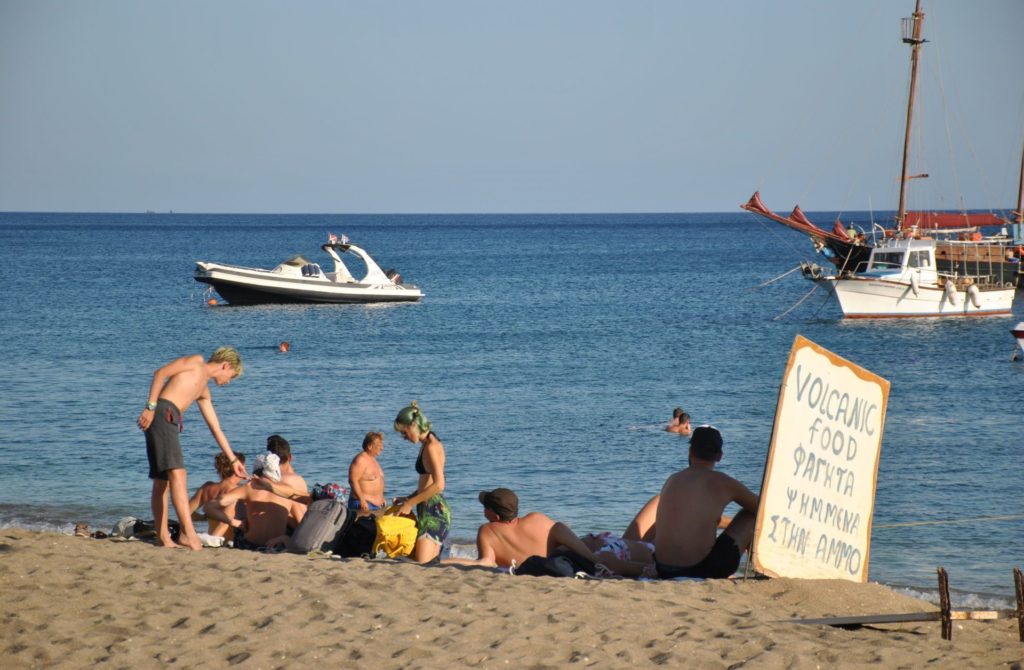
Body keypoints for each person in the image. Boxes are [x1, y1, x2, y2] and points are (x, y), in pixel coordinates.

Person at [136, 346, 247, 550]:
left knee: (162, 482)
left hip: (169, 419)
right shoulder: (196, 361)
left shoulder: (203, 390)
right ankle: (188, 533)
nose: (229, 381)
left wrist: (233, 460)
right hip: (162, 414)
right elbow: (160, 373)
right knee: (179, 475)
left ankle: (163, 538)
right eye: (231, 376)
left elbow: (216, 428)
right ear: (225, 365)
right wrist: (150, 407)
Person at [443, 488, 645, 576]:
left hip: (584, 563)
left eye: (485, 507)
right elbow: (561, 532)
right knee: (649, 547)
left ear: (494, 516)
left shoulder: (488, 532)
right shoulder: (536, 519)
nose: (482, 510)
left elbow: (484, 562)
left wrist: (441, 562)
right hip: (603, 550)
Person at [652, 425, 759, 579]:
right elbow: (762, 508)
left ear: (690, 452)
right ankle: (758, 569)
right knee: (751, 514)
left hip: (661, 568)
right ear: (720, 456)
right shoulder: (722, 482)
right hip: (699, 570)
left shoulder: (673, 479)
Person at [204, 453, 306, 549]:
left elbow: (208, 508)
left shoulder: (248, 488)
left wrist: (236, 523)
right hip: (276, 545)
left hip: (250, 545)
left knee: (239, 508)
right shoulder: (286, 490)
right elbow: (301, 521)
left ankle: (216, 537)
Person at [393, 401, 450, 563]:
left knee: (423, 564)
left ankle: (481, 563)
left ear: (413, 426)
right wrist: (408, 498)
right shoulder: (427, 443)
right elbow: (428, 482)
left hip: (434, 511)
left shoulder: (432, 446)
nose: (404, 438)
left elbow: (439, 484)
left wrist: (410, 503)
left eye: (404, 433)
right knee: (428, 564)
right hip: (428, 508)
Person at [188, 452, 247, 538]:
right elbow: (224, 523)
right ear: (238, 468)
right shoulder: (236, 491)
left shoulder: (207, 487)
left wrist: (203, 518)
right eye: (244, 467)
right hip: (225, 541)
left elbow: (186, 512)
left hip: (211, 535)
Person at [348, 431, 386, 513]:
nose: (382, 448)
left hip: (377, 506)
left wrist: (382, 498)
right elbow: (353, 480)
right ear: (369, 446)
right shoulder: (361, 460)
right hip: (363, 505)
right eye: (379, 445)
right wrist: (362, 500)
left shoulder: (373, 460)